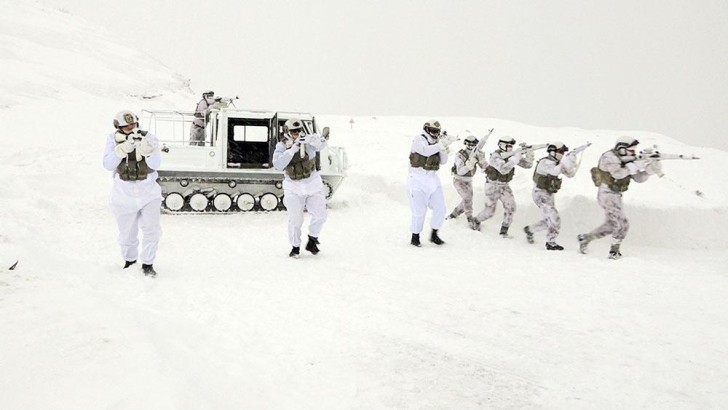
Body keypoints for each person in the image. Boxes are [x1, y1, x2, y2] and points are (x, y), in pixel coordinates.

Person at [577, 136, 661, 259]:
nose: (633, 153)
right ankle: (614, 251)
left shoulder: (627, 160)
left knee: (611, 225)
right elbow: (618, 173)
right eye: (631, 150)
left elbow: (638, 178)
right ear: (622, 149)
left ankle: (585, 238)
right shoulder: (609, 157)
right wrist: (637, 164)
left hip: (616, 196)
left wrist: (650, 170)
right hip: (606, 194)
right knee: (623, 224)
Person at [102, 110, 162, 276]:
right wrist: (120, 150)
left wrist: (148, 151)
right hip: (123, 192)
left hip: (148, 190)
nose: (131, 128)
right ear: (119, 127)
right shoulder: (112, 139)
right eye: (126, 127)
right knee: (127, 233)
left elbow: (156, 164)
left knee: (152, 230)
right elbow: (107, 164)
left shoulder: (149, 137)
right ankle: (129, 261)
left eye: (133, 125)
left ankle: (148, 264)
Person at [272, 118, 328, 258]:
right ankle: (295, 247)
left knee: (320, 215)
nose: (296, 133)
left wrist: (313, 140)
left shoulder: (308, 141)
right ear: (287, 131)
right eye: (293, 131)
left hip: (312, 184)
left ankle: (313, 238)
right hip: (293, 188)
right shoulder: (282, 146)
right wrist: (291, 150)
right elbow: (278, 165)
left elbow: (321, 145)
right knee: (295, 220)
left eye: (298, 130)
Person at [470, 136, 534, 237]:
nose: (510, 148)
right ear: (501, 145)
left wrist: (529, 152)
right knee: (490, 211)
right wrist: (516, 157)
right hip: (492, 185)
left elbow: (528, 165)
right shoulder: (495, 156)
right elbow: (504, 169)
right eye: (508, 145)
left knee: (511, 207)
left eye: (511, 146)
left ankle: (504, 231)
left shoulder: (511, 156)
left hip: (504, 185)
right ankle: (476, 220)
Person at [523, 142, 577, 250]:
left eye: (563, 152)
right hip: (540, 194)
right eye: (560, 152)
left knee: (549, 220)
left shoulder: (557, 163)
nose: (562, 154)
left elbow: (570, 174)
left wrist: (572, 161)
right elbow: (553, 172)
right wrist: (564, 162)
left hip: (549, 195)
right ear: (552, 151)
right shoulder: (544, 162)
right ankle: (551, 242)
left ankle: (530, 230)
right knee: (555, 217)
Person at [407, 120, 453, 247]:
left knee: (441, 208)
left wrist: (444, 147)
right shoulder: (419, 139)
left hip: (432, 179)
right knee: (419, 210)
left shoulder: (438, 143)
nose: (435, 134)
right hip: (416, 179)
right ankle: (415, 236)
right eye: (433, 131)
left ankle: (434, 234)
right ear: (426, 129)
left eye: (437, 131)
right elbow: (425, 151)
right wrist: (440, 145)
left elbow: (443, 161)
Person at [446, 135, 485, 225]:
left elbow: (483, 168)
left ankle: (454, 214)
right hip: (459, 180)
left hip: (469, 180)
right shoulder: (460, 155)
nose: (471, 147)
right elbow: (460, 171)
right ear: (466, 144)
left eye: (473, 145)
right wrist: (469, 164)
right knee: (467, 198)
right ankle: (469, 218)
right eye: (469, 144)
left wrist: (482, 160)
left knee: (468, 199)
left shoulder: (476, 154)